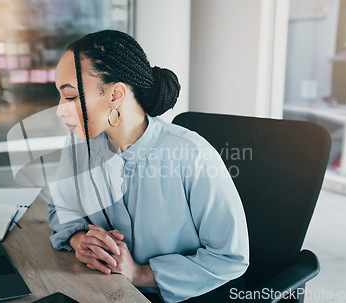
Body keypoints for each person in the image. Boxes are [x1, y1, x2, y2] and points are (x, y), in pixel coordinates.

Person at [47, 29, 249, 303]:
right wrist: (81, 240)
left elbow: (229, 257)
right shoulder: (79, 146)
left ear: (116, 94)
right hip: (100, 289)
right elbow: (61, 207)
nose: (61, 109)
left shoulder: (191, 154)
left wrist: (139, 273)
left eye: (70, 96)